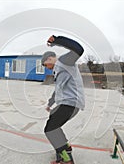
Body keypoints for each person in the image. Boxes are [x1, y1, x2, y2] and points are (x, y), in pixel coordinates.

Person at [42, 35, 85, 164]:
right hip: (66, 104)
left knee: (50, 129)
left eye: (46, 65)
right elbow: (59, 89)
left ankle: (67, 160)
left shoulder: (65, 61)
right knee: (54, 123)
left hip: (70, 103)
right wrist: (51, 103)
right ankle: (65, 148)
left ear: (50, 58)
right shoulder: (58, 70)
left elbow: (78, 49)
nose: (47, 68)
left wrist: (57, 40)